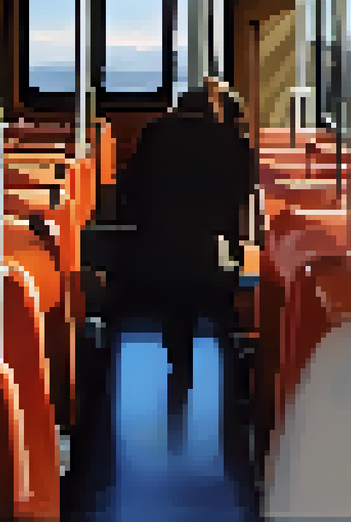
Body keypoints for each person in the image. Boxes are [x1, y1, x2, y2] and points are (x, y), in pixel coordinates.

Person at [115, 77, 256, 438]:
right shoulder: (232, 143)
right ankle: (233, 408)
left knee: (176, 317)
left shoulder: (154, 134)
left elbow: (130, 198)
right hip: (211, 255)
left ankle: (178, 385)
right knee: (220, 312)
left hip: (156, 255)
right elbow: (240, 207)